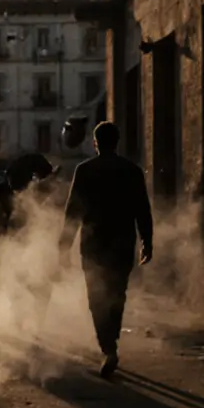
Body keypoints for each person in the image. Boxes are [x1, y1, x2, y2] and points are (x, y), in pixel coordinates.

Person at [60, 122, 154, 378]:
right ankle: (111, 342)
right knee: (117, 294)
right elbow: (142, 209)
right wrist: (147, 240)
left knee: (96, 297)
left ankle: (107, 347)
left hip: (93, 244)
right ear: (117, 141)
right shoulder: (132, 171)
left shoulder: (85, 170)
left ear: (95, 143)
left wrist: (63, 246)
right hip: (123, 242)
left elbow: (72, 212)